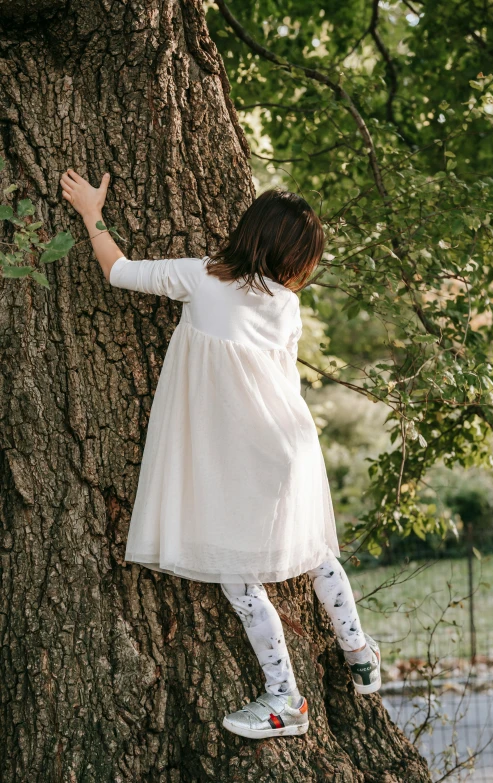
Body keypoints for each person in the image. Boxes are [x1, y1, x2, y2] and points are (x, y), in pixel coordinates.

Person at [59, 168, 381, 740]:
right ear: (297, 259)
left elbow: (118, 270)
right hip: (294, 447)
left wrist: (92, 213)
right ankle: (358, 652)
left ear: (248, 233)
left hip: (242, 457)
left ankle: (286, 700)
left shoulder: (201, 278)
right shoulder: (286, 306)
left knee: (240, 579)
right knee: (315, 551)